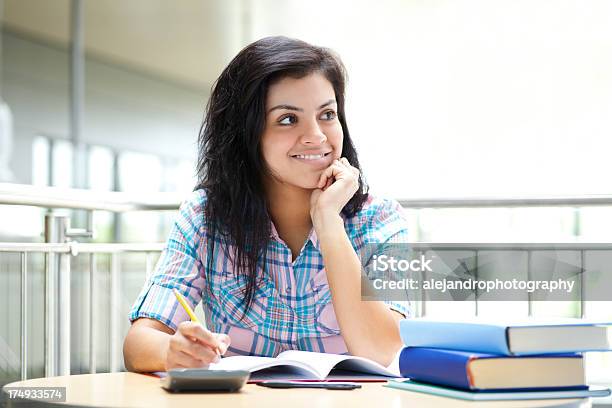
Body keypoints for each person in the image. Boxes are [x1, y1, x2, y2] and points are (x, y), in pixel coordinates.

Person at [123, 36, 410, 372]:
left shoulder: (381, 219)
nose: (317, 136)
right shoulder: (204, 216)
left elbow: (384, 351)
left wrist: (328, 221)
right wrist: (174, 350)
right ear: (247, 133)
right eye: (288, 119)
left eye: (327, 114)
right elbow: (137, 344)